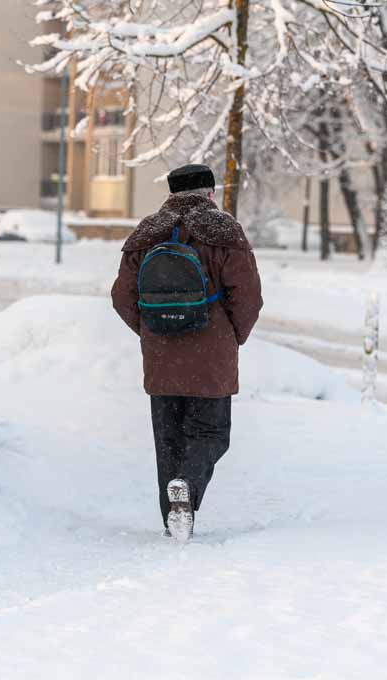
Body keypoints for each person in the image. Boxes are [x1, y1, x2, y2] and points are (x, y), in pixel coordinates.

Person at [111, 164, 263, 542]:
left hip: (161, 359)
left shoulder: (146, 233)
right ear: (209, 193)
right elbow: (248, 298)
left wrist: (151, 332)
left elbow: (122, 297)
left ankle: (173, 519)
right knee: (212, 433)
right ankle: (187, 487)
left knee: (168, 441)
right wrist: (231, 337)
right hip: (211, 357)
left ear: (170, 193)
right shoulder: (225, 232)